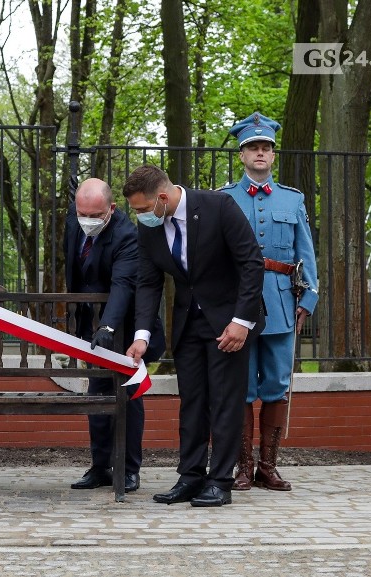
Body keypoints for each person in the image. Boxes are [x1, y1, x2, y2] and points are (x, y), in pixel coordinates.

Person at [123, 164, 265, 507]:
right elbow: (148, 282)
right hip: (188, 324)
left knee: (225, 403)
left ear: (161, 197)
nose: (140, 216)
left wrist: (241, 322)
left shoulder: (219, 207)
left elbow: (251, 262)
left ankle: (219, 482)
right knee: (193, 403)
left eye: (142, 209)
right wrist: (141, 335)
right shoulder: (150, 229)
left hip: (229, 322)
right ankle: (190, 476)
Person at [222, 112, 319, 491]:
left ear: (273, 156)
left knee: (276, 384)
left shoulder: (292, 200)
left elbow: (305, 253)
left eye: (266, 147)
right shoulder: (224, 198)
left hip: (281, 300)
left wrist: (308, 297)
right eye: (252, 147)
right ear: (242, 155)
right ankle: (243, 467)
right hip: (238, 305)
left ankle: (268, 466)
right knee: (243, 386)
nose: (260, 153)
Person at [63, 178, 166, 493]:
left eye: (96, 216)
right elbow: (76, 276)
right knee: (97, 395)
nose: (88, 221)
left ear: (112, 209)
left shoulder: (127, 236)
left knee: (128, 397)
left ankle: (128, 468)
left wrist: (107, 326)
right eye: (83, 214)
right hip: (92, 329)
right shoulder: (74, 220)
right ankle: (100, 466)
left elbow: (123, 285)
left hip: (126, 329)